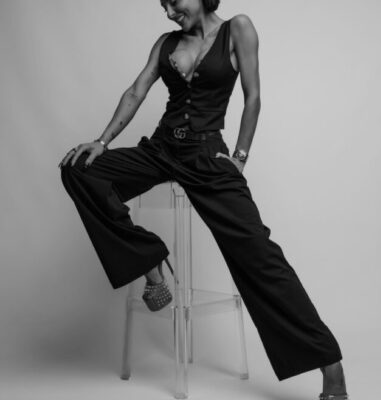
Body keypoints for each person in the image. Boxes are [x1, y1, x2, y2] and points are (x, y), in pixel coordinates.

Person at [58, 0, 349, 398]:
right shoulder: (165, 43)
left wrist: (239, 158)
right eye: (163, 5)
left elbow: (253, 97)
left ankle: (329, 364)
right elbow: (136, 90)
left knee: (260, 255)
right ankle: (150, 258)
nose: (168, 11)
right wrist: (102, 141)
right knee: (79, 169)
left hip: (207, 156)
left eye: (173, 1)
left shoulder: (237, 29)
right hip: (161, 149)